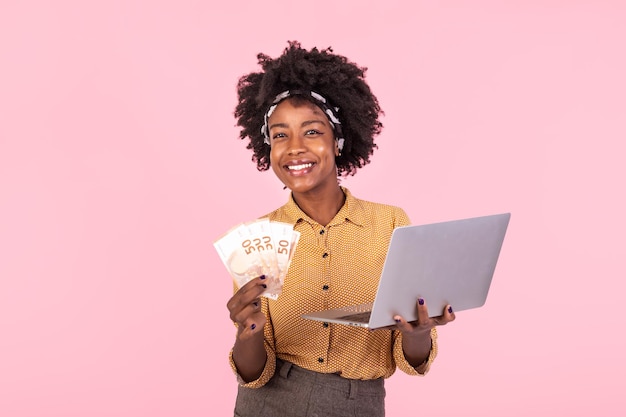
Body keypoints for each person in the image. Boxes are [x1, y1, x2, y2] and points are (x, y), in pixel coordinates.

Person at [226, 41, 455, 417]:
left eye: (312, 132)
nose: (294, 148)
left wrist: (416, 334)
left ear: (338, 140)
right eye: (280, 135)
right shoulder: (255, 238)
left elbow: (410, 359)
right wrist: (246, 332)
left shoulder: (390, 224)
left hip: (358, 403)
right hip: (267, 404)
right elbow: (253, 371)